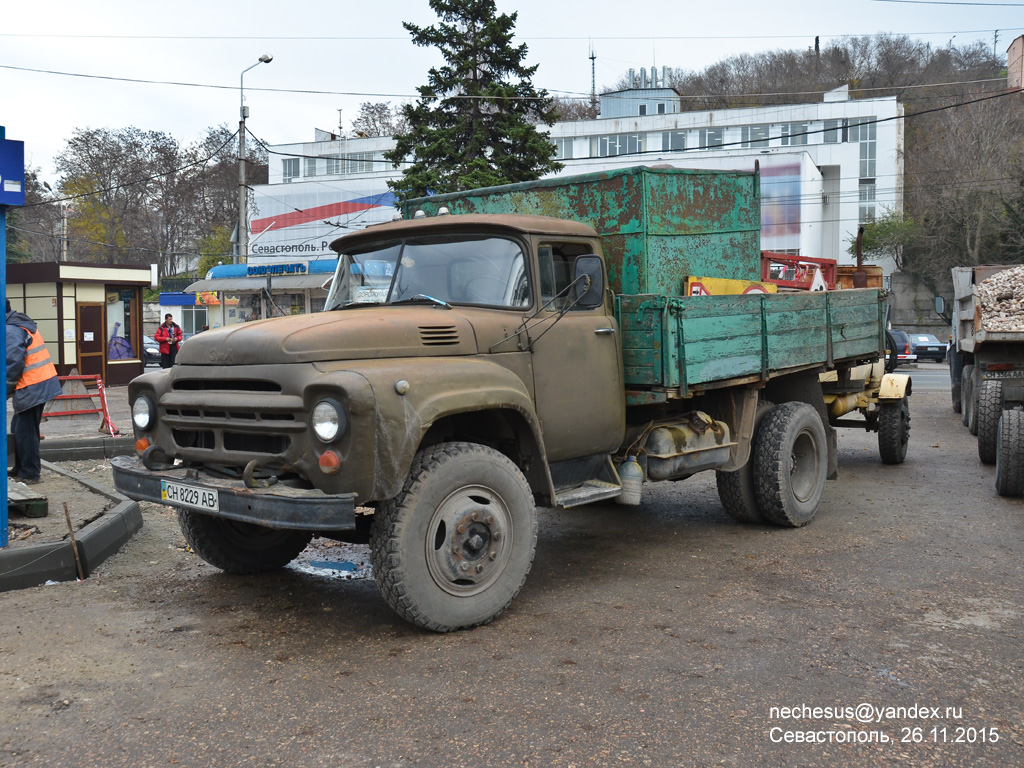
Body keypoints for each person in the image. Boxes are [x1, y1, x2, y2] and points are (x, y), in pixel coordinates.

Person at [6, 300, 63, 485]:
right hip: (37, 382)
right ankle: (20, 467)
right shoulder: (18, 324)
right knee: (19, 428)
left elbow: (13, 362)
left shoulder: (11, 330)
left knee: (26, 431)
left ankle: (30, 473)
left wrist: (5, 389)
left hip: (33, 385)